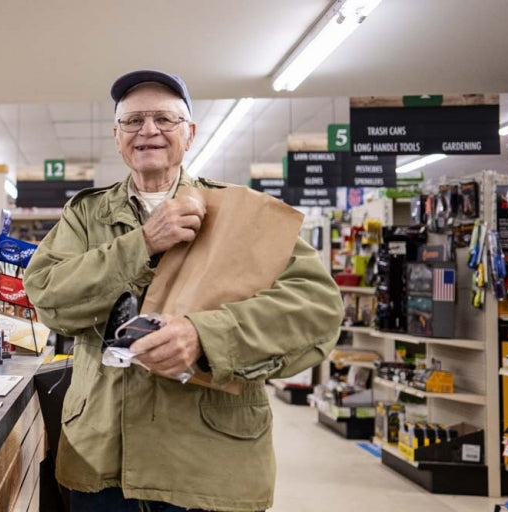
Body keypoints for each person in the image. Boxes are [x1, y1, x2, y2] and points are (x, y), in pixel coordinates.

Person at [23, 69, 344, 512]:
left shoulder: (242, 213)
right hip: (100, 458)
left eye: (164, 119)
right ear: (117, 136)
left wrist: (204, 337)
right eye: (133, 121)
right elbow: (49, 297)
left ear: (189, 133)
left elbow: (316, 309)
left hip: (209, 464)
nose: (148, 130)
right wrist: (144, 243)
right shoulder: (86, 216)